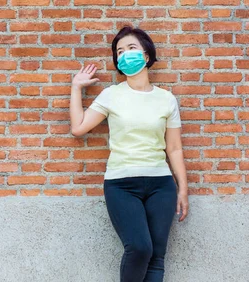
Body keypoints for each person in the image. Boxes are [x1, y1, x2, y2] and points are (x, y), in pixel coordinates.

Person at [70, 26, 189, 282]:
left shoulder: (166, 99)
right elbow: (78, 128)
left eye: (131, 48)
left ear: (146, 56)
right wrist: (76, 88)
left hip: (161, 184)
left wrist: (182, 188)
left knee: (157, 256)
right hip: (121, 185)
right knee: (139, 248)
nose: (125, 54)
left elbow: (174, 147)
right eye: (119, 51)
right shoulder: (111, 95)